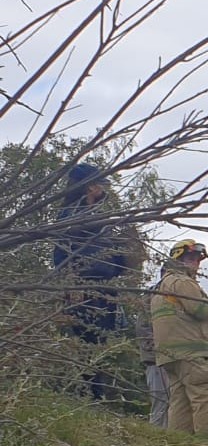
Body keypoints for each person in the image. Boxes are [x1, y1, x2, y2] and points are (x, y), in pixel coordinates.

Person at [52, 163, 127, 399]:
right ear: (89, 186)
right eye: (100, 183)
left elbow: (111, 259)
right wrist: (71, 284)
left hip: (103, 288)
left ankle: (97, 395)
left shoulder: (99, 218)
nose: (105, 188)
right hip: (83, 288)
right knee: (87, 340)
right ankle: (88, 396)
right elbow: (61, 254)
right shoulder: (69, 215)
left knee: (101, 341)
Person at [151, 240, 208, 435]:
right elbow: (202, 309)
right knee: (207, 398)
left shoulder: (162, 286)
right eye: (192, 259)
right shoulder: (182, 283)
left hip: (170, 356)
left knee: (180, 403)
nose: (196, 264)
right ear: (179, 259)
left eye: (198, 259)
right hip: (195, 355)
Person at [135, 277, 169, 427]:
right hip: (157, 358)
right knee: (162, 401)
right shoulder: (154, 296)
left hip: (167, 356)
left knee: (170, 402)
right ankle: (157, 438)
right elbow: (144, 328)